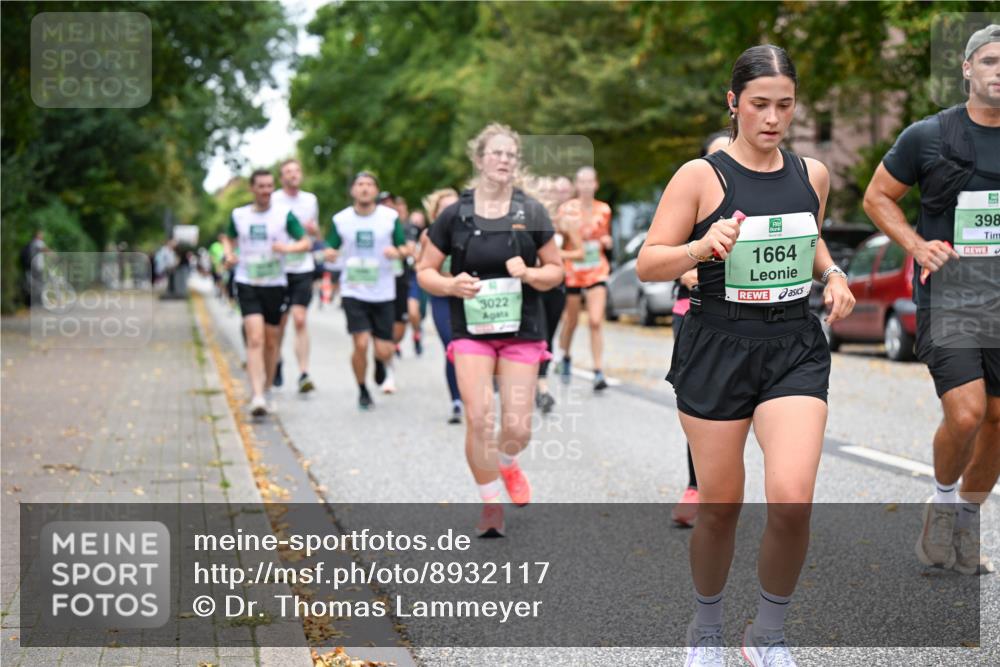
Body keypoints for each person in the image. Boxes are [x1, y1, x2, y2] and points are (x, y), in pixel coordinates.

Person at [636, 45, 855, 666]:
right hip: (718, 345)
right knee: (722, 504)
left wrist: (834, 273)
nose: (773, 118)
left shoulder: (812, 173)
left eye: (785, 105)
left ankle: (767, 635)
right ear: (734, 102)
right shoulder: (701, 176)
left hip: (792, 344)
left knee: (791, 496)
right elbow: (649, 262)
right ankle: (705, 630)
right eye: (760, 104)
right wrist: (702, 246)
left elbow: (806, 238)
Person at [863, 24, 1000, 576]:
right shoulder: (930, 136)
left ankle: (967, 516)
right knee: (967, 413)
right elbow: (877, 197)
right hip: (950, 298)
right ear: (967, 69)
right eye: (989, 61)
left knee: (998, 420)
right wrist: (916, 245)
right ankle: (943, 500)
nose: (999, 71)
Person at [418, 123, 563, 537]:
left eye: (510, 155)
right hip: (471, 329)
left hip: (522, 328)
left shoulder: (531, 212)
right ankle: (490, 504)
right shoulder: (453, 215)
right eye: (496, 153)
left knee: (516, 427)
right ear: (479, 160)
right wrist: (450, 285)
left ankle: (505, 462)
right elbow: (424, 271)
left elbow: (556, 271)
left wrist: (532, 273)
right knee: (479, 418)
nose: (504, 160)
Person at [671, 130, 731, 528]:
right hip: (695, 310)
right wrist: (690, 271)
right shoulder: (691, 198)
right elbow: (659, 254)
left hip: (753, 317)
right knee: (704, 403)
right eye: (717, 159)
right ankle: (696, 486)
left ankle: (725, 488)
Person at [222, 169, 311, 417]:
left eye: (270, 186)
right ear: (252, 188)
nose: (266, 190)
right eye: (261, 186)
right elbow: (228, 238)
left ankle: (268, 387)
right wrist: (229, 254)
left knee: (272, 343)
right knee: (255, 338)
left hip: (275, 284)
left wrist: (287, 247)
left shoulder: (284, 215)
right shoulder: (239, 215)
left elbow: (305, 242)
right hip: (247, 281)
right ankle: (257, 395)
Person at [326, 173, 407, 409]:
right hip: (354, 289)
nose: (364, 189)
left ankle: (379, 362)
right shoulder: (341, 220)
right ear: (353, 190)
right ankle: (362, 390)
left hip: (383, 289)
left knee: (384, 349)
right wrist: (330, 253)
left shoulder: (390, 218)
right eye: (360, 185)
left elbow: (405, 247)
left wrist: (398, 252)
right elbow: (330, 248)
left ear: (376, 191)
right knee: (360, 343)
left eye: (369, 185)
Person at [555, 167, 614, 391]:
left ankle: (598, 371)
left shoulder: (604, 209)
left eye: (590, 182)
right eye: (582, 182)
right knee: (571, 321)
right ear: (576, 185)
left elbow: (603, 235)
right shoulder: (566, 210)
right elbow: (558, 240)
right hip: (573, 269)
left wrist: (607, 240)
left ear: (596, 184)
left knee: (595, 320)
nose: (587, 186)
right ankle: (566, 355)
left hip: (597, 268)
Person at [271, 158, 320, 394]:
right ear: (282, 178)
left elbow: (315, 232)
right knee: (280, 322)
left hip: (302, 266)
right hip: (279, 268)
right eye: (288, 172)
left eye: (296, 170)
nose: (293, 174)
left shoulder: (310, 200)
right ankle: (277, 361)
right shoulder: (274, 200)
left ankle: (303, 373)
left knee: (300, 318)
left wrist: (313, 231)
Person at [419, 188, 464, 423]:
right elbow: (422, 267)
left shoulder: (471, 231)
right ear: (436, 213)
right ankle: (456, 400)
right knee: (452, 346)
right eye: (444, 208)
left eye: (454, 206)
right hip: (442, 297)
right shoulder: (429, 236)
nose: (450, 212)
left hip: (468, 296)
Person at [536, 175, 576, 414]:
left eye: (552, 191)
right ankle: (541, 388)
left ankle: (538, 379)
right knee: (538, 333)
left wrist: (558, 254)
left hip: (557, 284)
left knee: (548, 334)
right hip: (532, 285)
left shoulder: (564, 222)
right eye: (544, 191)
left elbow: (580, 251)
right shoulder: (527, 219)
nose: (549, 195)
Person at [406, 209, 429, 355]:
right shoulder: (404, 234)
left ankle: (416, 333)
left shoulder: (429, 236)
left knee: (416, 313)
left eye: (419, 221)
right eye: (413, 221)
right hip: (403, 277)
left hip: (418, 278)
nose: (416, 225)